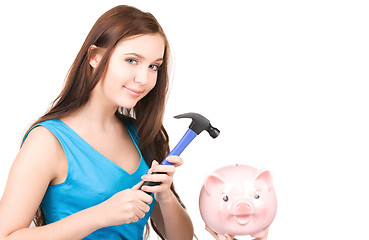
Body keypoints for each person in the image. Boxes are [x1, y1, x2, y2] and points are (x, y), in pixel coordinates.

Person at [0, 5, 194, 240]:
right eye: (132, 60)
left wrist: (165, 196)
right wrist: (100, 215)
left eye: (154, 66)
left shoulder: (144, 136)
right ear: (95, 57)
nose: (143, 78)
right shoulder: (48, 141)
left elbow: (180, 238)